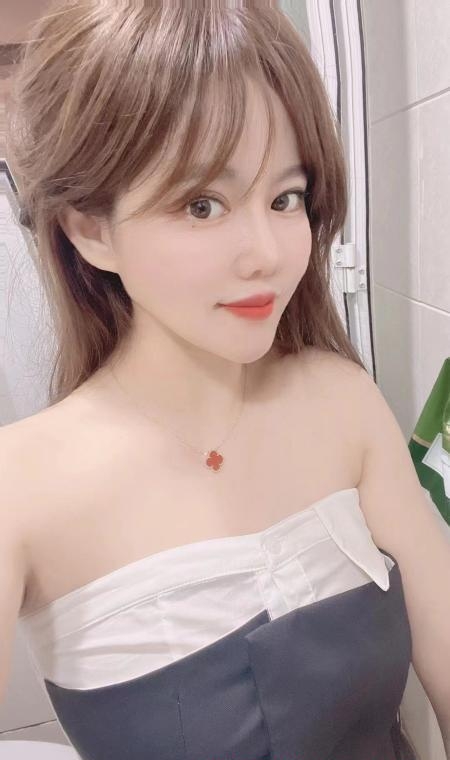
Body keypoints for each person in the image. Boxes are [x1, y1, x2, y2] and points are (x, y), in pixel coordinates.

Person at [1, 3, 449, 759]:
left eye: (286, 198)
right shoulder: (21, 487)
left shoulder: (342, 400)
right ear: (91, 229)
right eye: (202, 204)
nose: (267, 253)